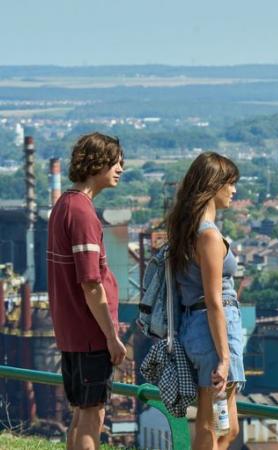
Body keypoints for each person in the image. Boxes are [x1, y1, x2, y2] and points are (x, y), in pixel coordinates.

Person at [47, 133, 127, 450]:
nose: (120, 168)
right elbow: (90, 282)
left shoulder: (64, 205)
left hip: (71, 330)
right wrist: (111, 335)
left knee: (81, 413)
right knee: (93, 416)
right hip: (89, 332)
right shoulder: (82, 213)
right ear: (97, 162)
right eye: (116, 161)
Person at [165, 152, 245, 450]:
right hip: (214, 332)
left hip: (198, 328)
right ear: (214, 186)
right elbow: (213, 300)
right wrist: (225, 358)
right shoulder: (208, 236)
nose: (234, 191)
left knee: (226, 427)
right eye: (230, 183)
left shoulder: (187, 229)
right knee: (214, 426)